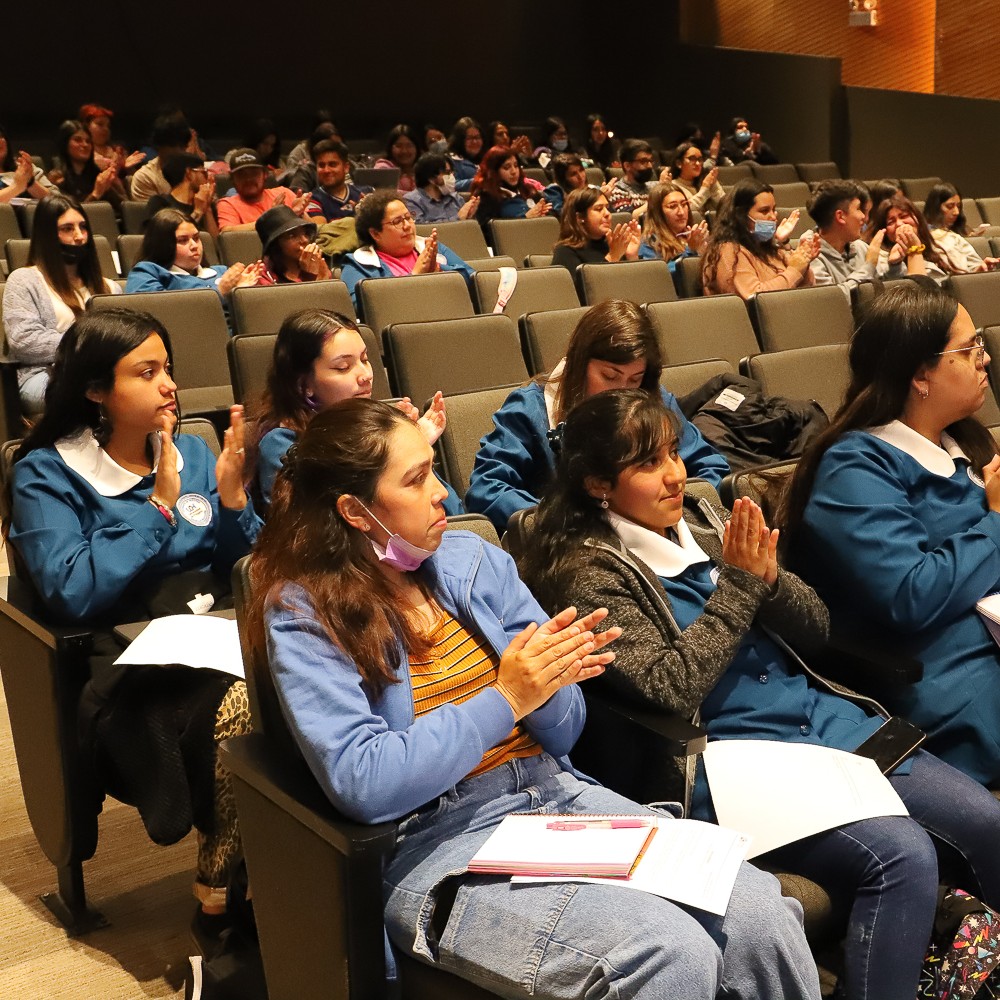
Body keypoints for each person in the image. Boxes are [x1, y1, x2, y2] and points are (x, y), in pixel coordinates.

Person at [245, 396, 823, 1000]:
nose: (443, 491)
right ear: (355, 510)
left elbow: (566, 730)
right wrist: (506, 697)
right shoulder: (304, 610)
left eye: (434, 468)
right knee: (667, 953)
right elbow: (362, 779)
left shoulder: (474, 562)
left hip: (554, 799)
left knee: (763, 914)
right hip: (442, 842)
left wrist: (551, 686)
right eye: (416, 480)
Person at [519, 386, 1000, 1000]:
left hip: (825, 726)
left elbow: (816, 628)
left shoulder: (702, 520)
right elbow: (671, 686)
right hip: (735, 763)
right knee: (901, 855)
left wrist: (769, 582)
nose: (676, 475)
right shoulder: (589, 573)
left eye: (673, 452)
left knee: (985, 822)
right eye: (648, 464)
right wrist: (741, 586)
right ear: (597, 485)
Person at [5, 308, 259, 944]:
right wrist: (160, 508)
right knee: (248, 709)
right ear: (96, 390)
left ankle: (257, 874)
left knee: (307, 681)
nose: (169, 385)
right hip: (124, 660)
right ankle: (221, 895)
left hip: (213, 631)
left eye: (167, 368)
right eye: (146, 373)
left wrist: (231, 506)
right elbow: (70, 590)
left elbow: (237, 568)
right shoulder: (47, 473)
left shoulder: (194, 451)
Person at [782, 279, 1000, 786]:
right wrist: (995, 521)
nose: (984, 359)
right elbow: (910, 594)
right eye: (969, 350)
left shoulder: (962, 442)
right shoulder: (855, 466)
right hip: (948, 681)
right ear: (920, 373)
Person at [465, 299, 728, 533]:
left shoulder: (654, 401)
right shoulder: (529, 409)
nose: (623, 391)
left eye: (634, 379)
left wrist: (662, 508)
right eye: (610, 376)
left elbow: (712, 468)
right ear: (580, 364)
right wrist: (572, 521)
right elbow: (487, 489)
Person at [248, 308, 458, 511]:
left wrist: (413, 446)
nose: (365, 375)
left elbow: (453, 511)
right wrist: (394, 453)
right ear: (305, 385)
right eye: (343, 367)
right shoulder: (283, 446)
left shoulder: (373, 425)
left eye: (365, 360)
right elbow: (327, 529)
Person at [2, 194, 121, 411]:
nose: (79, 236)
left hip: (100, 372)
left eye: (83, 227)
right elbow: (23, 341)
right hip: (43, 375)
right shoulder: (25, 280)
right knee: (98, 391)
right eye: (67, 229)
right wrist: (87, 345)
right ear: (48, 235)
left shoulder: (109, 287)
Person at [339, 191, 474, 310]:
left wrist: (439, 269)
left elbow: (473, 279)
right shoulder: (358, 264)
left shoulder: (430, 247)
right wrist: (414, 277)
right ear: (375, 233)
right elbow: (362, 308)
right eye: (397, 221)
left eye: (408, 217)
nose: (407, 226)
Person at [702, 179, 820, 298]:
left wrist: (803, 263)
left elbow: (807, 290)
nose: (773, 217)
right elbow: (754, 298)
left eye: (773, 210)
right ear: (741, 215)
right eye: (764, 211)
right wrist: (795, 270)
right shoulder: (728, 251)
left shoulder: (771, 249)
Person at [125, 209, 262, 295]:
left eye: (196, 238)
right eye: (183, 240)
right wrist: (220, 291)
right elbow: (161, 311)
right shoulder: (146, 273)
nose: (194, 246)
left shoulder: (221, 272)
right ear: (162, 244)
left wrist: (242, 292)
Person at [801, 179, 881, 297]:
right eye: (858, 209)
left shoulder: (860, 246)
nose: (863, 217)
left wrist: (896, 264)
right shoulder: (809, 256)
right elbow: (835, 300)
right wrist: (869, 266)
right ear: (840, 216)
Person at [216, 149, 310, 232]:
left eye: (254, 174)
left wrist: (300, 214)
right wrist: (271, 218)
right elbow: (227, 232)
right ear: (232, 179)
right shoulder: (227, 204)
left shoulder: (284, 193)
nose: (248, 179)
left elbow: (314, 227)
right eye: (242, 175)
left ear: (265, 174)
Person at [551, 186, 642, 273]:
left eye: (607, 208)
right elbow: (585, 287)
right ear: (580, 217)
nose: (607, 214)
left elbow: (635, 285)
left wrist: (632, 256)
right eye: (598, 209)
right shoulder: (565, 251)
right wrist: (612, 257)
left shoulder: (613, 245)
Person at [868, 194, 951, 283]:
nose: (899, 224)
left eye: (903, 216)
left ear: (917, 218)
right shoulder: (882, 262)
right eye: (891, 222)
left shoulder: (941, 248)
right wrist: (895, 266)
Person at [49, 119, 127, 211]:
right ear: (65, 144)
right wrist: (96, 194)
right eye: (78, 140)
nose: (85, 145)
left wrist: (116, 183)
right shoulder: (57, 178)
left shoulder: (96, 175)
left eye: (88, 141)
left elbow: (126, 209)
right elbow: (71, 215)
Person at [471, 146, 551, 233]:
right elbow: (487, 231)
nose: (513, 171)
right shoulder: (486, 196)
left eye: (516, 166)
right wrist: (525, 219)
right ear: (494, 171)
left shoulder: (528, 189)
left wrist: (545, 215)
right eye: (506, 167)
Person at [923, 182, 999, 273]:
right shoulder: (923, 236)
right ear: (935, 207)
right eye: (949, 206)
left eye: (958, 206)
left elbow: (968, 272)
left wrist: (982, 268)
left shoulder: (955, 235)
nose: (956, 212)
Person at [254, 205, 332, 285]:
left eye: (305, 233)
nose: (304, 240)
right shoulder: (261, 276)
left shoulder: (317, 264)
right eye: (292, 236)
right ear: (275, 244)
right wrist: (309, 277)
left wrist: (323, 279)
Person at [147, 153, 220, 237]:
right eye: (203, 172)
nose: (207, 178)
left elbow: (215, 245)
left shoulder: (207, 205)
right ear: (189, 173)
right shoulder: (160, 203)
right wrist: (198, 212)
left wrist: (207, 209)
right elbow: (167, 238)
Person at [639, 184, 709, 269]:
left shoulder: (695, 237)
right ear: (658, 213)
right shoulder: (650, 241)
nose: (681, 212)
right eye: (672, 206)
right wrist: (691, 250)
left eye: (684, 204)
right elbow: (661, 274)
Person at [302, 139, 371, 223]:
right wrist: (357, 217)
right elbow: (322, 231)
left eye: (332, 164)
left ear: (346, 168)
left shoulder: (367, 193)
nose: (326, 170)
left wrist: (368, 213)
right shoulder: (312, 199)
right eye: (321, 165)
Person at [130, 116, 197, 202]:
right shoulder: (145, 177)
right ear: (159, 146)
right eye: (174, 146)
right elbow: (157, 215)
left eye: (183, 146)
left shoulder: (196, 172)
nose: (181, 152)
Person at [402, 153, 479, 224]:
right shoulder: (411, 201)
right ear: (431, 178)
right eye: (447, 173)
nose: (452, 177)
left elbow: (467, 229)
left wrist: (470, 217)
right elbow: (421, 230)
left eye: (452, 173)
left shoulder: (456, 198)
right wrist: (457, 219)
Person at [79, 103, 145, 175]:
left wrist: (127, 168)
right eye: (100, 124)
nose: (106, 129)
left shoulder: (118, 150)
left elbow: (134, 180)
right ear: (86, 126)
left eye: (108, 126)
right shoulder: (82, 151)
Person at [0, 124, 58, 203]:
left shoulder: (24, 168)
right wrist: (17, 187)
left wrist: (30, 182)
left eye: (1, 136)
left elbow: (57, 199)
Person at [669, 142, 725, 216]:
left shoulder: (705, 180)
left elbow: (725, 207)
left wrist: (714, 186)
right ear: (679, 163)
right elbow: (685, 211)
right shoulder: (673, 186)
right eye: (692, 159)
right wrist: (705, 189)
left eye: (700, 159)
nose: (698, 163)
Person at [607, 139, 656, 215]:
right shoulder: (617, 192)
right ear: (627, 166)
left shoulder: (654, 186)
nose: (650, 166)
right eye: (643, 161)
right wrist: (658, 195)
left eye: (650, 161)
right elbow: (630, 217)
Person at [374, 124, 421, 193]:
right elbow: (387, 194)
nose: (404, 151)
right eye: (399, 146)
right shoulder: (383, 167)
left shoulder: (423, 169)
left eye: (409, 145)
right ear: (390, 148)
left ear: (416, 148)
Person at [446, 116, 485, 190]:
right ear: (459, 141)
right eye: (469, 138)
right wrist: (478, 181)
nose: (475, 141)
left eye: (477, 137)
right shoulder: (450, 161)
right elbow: (451, 185)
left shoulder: (486, 159)